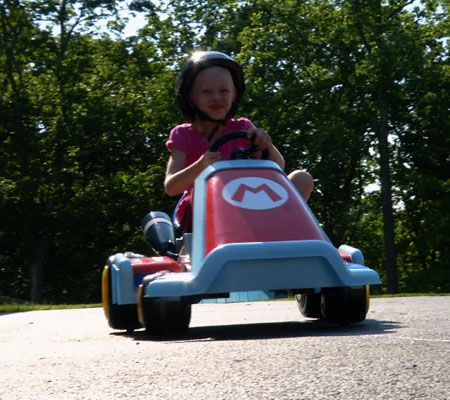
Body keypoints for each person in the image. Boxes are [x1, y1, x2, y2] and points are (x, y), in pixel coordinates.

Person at [165, 50, 314, 232]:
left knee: (302, 178)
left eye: (224, 91)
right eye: (207, 92)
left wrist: (266, 144)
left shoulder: (243, 127)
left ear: (234, 94)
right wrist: (200, 166)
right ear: (191, 98)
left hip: (248, 203)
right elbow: (171, 187)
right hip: (202, 219)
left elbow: (278, 167)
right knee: (202, 188)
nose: (217, 97)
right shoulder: (183, 134)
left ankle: (282, 234)